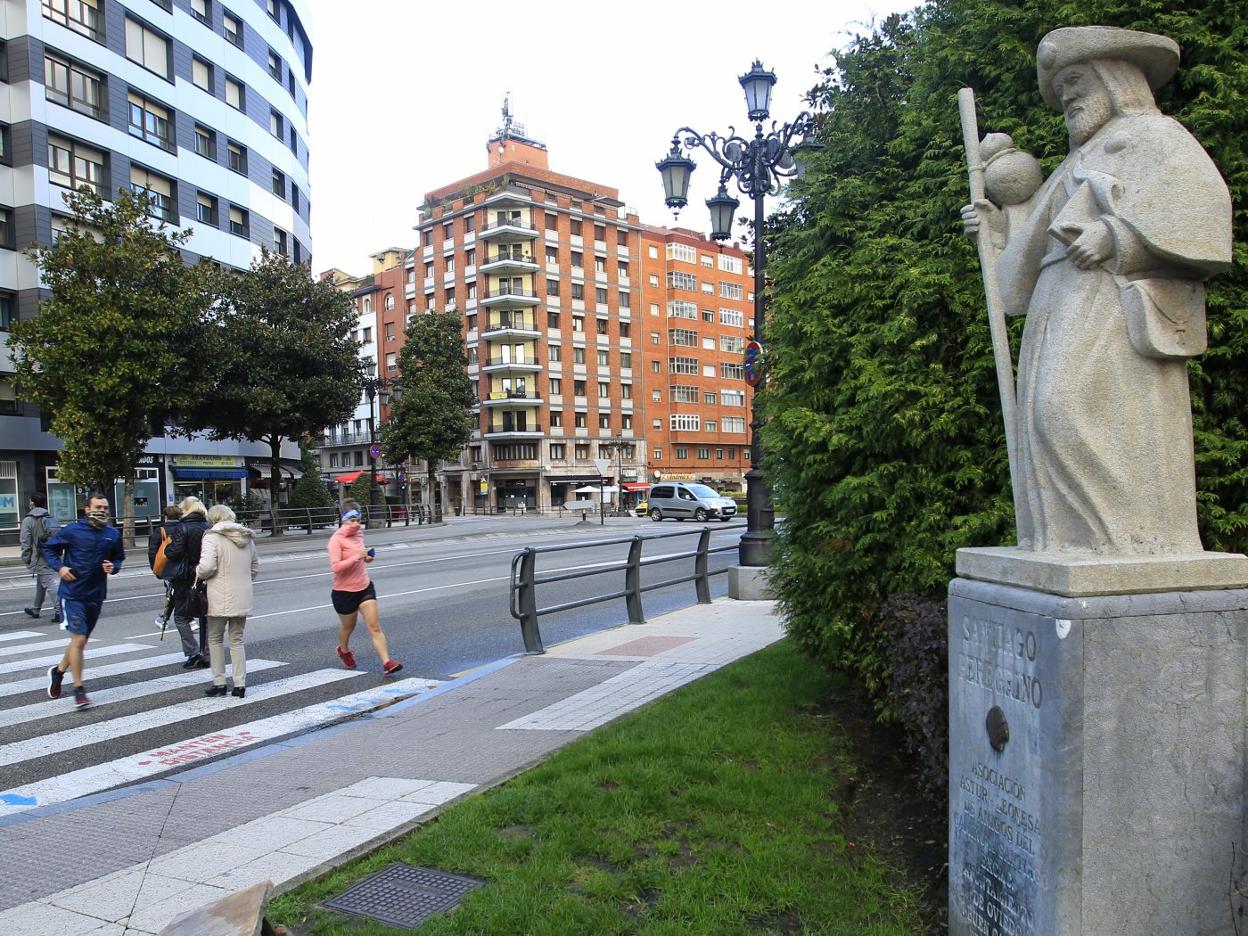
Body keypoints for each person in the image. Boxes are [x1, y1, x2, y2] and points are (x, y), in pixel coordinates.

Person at [960, 26, 1231, 555]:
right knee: (1043, 417)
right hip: (1059, 300)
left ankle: (1128, 539)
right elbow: (1032, 246)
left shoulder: (1156, 136)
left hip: (1110, 299)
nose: (1069, 98)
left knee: (1069, 410)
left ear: (1116, 81)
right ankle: (1070, 539)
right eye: (1062, 90)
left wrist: (1118, 235)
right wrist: (992, 229)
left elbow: (1204, 211)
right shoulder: (1073, 160)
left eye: (1077, 82)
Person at [42, 493, 125, 709]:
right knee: (78, 641)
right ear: (87, 509)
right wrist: (60, 567)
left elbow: (118, 557)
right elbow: (49, 548)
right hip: (72, 594)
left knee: (80, 643)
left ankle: (58, 672)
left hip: (96, 594)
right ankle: (79, 690)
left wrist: (113, 567)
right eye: (98, 507)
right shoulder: (72, 530)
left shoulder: (112, 534)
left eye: (105, 507)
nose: (102, 511)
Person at [329, 499, 401, 675]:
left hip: (364, 587)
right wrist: (356, 557)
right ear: (343, 519)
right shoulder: (335, 540)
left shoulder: (359, 535)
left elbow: (361, 557)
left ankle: (387, 662)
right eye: (351, 520)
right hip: (344, 592)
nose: (355, 524)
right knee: (348, 627)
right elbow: (336, 567)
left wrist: (367, 557)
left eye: (358, 520)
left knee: (374, 626)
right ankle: (343, 650)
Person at [196, 504, 258, 699]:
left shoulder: (211, 537)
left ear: (213, 519)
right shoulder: (247, 538)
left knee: (214, 639)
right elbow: (255, 567)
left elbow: (206, 567)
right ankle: (240, 684)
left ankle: (219, 682)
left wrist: (197, 573)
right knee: (237, 640)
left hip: (218, 595)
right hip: (242, 595)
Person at [163, 496, 211, 668]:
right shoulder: (209, 526)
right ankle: (207, 654)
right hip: (205, 575)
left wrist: (168, 547)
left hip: (185, 577)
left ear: (187, 510)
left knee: (181, 616)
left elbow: (173, 553)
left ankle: (193, 653)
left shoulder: (182, 527)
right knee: (206, 615)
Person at [20, 493, 61, 622]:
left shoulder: (29, 520)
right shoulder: (50, 517)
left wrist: (26, 557)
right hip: (53, 553)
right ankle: (36, 608)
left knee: (48, 582)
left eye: (30, 500)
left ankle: (60, 610)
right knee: (41, 581)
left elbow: (25, 541)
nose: (29, 502)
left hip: (40, 555)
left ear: (32, 503)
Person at [148, 504, 181, 631]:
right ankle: (188, 619)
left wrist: (155, 568)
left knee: (171, 593)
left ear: (165, 516)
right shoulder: (183, 528)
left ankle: (165, 619)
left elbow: (152, 552)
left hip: (166, 567)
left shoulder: (160, 530)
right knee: (177, 591)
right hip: (182, 566)